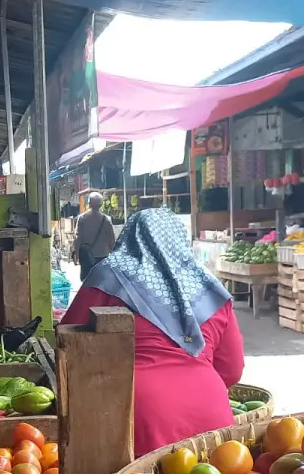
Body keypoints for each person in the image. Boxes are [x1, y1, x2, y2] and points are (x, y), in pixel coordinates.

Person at [60, 209, 245, 457]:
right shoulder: (209, 288)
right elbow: (231, 370)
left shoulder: (109, 275)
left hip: (139, 416)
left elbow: (68, 347)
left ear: (129, 237)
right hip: (213, 418)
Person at [72, 192, 116, 280]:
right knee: (100, 281)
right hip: (102, 256)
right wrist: (113, 253)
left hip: (86, 256)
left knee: (87, 281)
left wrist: (76, 253)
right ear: (101, 204)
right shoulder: (107, 219)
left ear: (89, 204)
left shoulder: (82, 218)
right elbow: (111, 239)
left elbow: (78, 238)